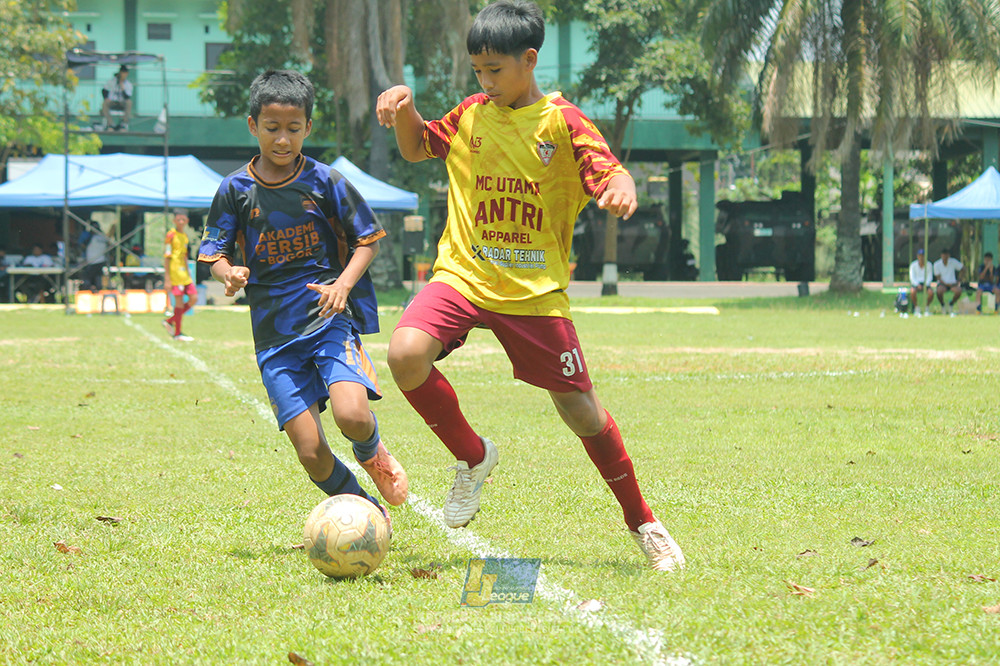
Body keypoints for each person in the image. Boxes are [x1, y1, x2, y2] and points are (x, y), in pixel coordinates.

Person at [375, 0, 683, 572]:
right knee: (404, 353)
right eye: (478, 71)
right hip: (464, 274)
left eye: (495, 69)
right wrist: (405, 109)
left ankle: (642, 520)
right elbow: (418, 146)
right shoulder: (471, 113)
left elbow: (607, 167)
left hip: (534, 292)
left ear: (529, 60)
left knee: (581, 411)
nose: (485, 81)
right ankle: (473, 458)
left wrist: (623, 185)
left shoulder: (561, 122)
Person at [197, 69, 408, 524]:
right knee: (311, 452)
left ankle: (373, 454)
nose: (282, 139)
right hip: (274, 337)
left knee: (352, 415)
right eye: (272, 128)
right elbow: (213, 251)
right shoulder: (235, 190)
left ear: (308, 128)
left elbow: (367, 240)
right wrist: (227, 273)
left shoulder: (326, 181)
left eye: (293, 129)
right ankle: (365, 510)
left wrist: (342, 286)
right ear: (252, 125)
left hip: (326, 318)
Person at [163, 209, 197, 342]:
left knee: (193, 298)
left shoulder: (184, 236)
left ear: (187, 221)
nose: (181, 222)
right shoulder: (171, 235)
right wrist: (167, 278)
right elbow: (167, 256)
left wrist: (189, 272)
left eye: (183, 219)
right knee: (179, 303)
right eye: (179, 219)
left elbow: (184, 256)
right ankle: (177, 334)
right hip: (175, 273)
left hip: (184, 274)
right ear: (174, 220)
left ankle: (170, 320)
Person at [100, 65, 133, 130]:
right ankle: (110, 124)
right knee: (105, 103)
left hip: (122, 103)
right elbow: (104, 90)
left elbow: (127, 97)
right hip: (112, 101)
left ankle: (124, 123)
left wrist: (123, 88)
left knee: (129, 103)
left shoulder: (128, 84)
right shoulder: (112, 81)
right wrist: (106, 98)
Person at [80, 222, 110, 291]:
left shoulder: (92, 237)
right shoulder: (103, 237)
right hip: (100, 260)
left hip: (93, 260)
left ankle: (90, 290)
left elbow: (83, 245)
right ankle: (98, 289)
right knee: (98, 277)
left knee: (88, 277)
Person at [933, 247, 964, 315]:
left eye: (946, 255)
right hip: (942, 284)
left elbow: (963, 268)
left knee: (958, 291)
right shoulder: (936, 264)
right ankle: (943, 305)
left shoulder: (953, 262)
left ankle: (951, 304)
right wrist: (946, 284)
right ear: (941, 256)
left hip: (952, 284)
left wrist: (959, 280)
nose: (945, 257)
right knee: (939, 291)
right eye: (944, 255)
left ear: (949, 255)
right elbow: (938, 277)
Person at [908, 248, 934, 316]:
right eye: (920, 255)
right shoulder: (913, 265)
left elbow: (930, 277)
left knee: (931, 293)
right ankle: (916, 308)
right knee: (912, 292)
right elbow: (912, 277)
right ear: (917, 256)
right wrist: (917, 285)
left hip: (926, 283)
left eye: (923, 255)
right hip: (916, 284)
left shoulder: (929, 264)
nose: (921, 257)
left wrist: (926, 285)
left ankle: (927, 307)